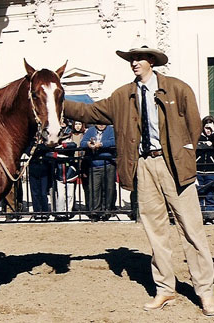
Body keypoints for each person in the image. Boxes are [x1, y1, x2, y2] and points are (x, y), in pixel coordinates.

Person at [63, 39, 214, 315]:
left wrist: (184, 157)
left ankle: (206, 291)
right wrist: (55, 100)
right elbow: (90, 111)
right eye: (131, 58)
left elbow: (193, 126)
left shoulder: (178, 88)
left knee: (192, 230)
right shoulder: (123, 96)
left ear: (151, 61)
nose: (133, 62)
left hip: (174, 166)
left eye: (139, 57)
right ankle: (165, 289)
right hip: (143, 166)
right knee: (156, 233)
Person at [196, 116, 214, 214]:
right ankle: (200, 214)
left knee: (210, 193)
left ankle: (210, 215)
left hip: (211, 170)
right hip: (198, 169)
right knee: (199, 192)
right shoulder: (198, 137)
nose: (209, 130)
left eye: (211, 128)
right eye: (207, 128)